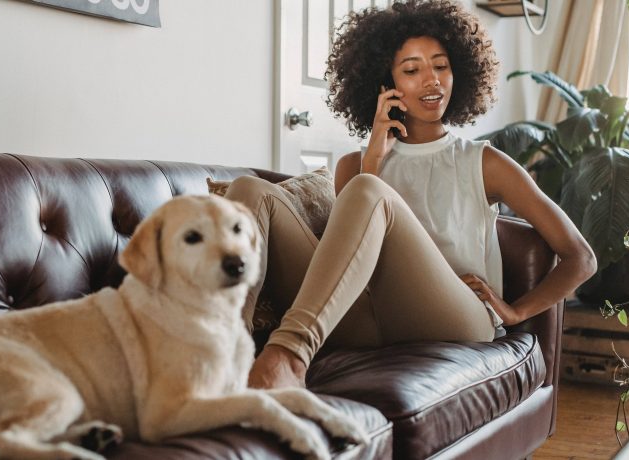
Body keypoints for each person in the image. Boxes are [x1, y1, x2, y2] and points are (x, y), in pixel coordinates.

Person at [225, 0, 597, 389]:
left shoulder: (485, 162)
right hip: (369, 319)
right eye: (412, 70)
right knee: (248, 190)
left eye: (441, 66)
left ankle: (289, 356)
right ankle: (228, 350)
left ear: (459, 73)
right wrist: (372, 161)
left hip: (456, 319)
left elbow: (581, 257)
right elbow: (346, 264)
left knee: (368, 190)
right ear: (385, 85)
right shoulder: (356, 166)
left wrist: (516, 312)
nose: (432, 80)